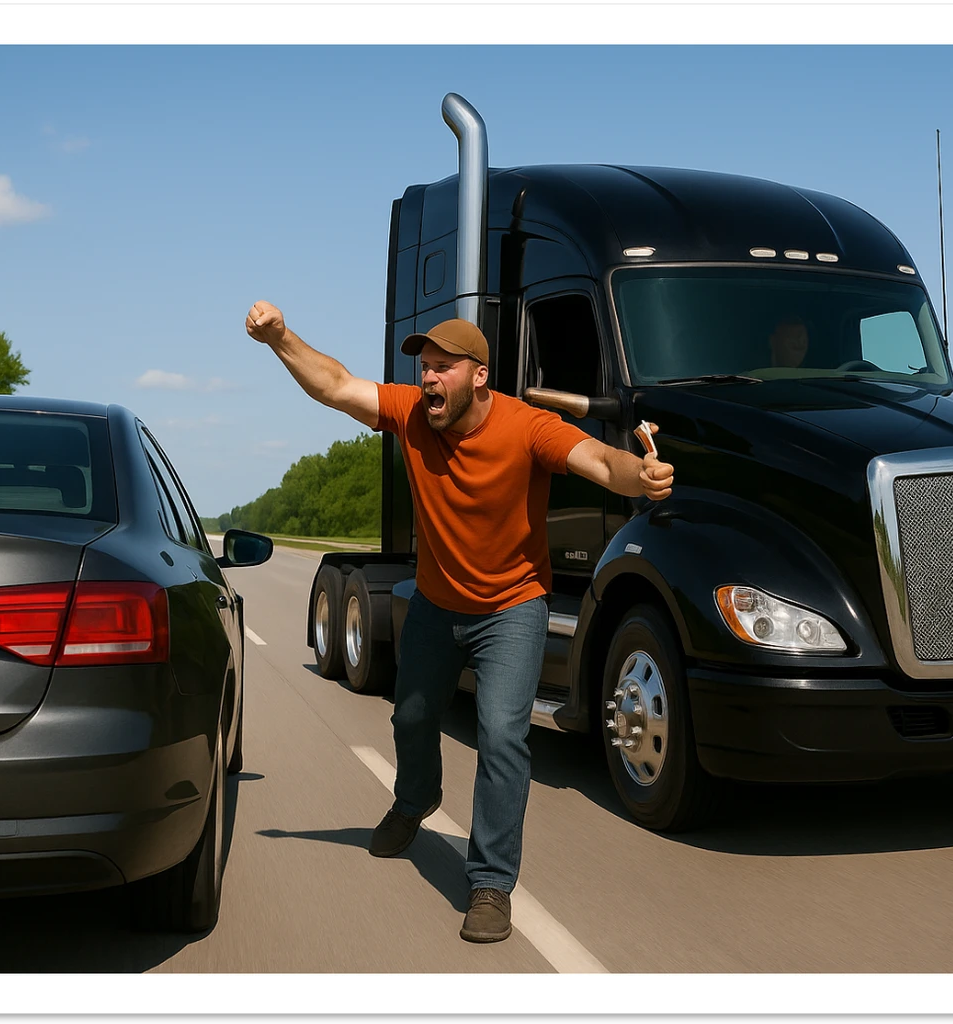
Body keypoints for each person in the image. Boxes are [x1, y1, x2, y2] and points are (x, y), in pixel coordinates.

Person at [244, 300, 674, 944]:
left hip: (512, 607)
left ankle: (491, 883)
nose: (428, 379)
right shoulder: (412, 416)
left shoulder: (528, 427)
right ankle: (415, 799)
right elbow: (334, 385)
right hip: (437, 603)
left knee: (502, 738)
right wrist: (279, 338)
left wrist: (637, 475)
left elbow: (597, 461)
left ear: (479, 376)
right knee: (411, 717)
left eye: (443, 367)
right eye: (424, 367)